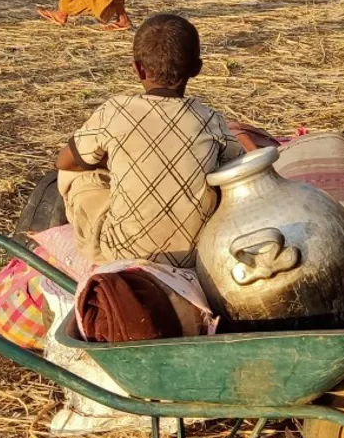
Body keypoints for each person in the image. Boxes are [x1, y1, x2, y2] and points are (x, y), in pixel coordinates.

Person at [54, 14, 245, 267]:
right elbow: (239, 170)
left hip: (121, 254)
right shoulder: (210, 120)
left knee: (74, 176)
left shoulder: (114, 111)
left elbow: (64, 161)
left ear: (137, 68)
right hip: (196, 256)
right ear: (197, 69)